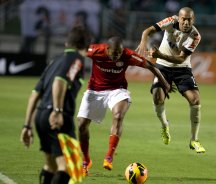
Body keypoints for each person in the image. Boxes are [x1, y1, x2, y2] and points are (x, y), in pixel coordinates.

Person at [77, 36, 171, 175]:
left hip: (117, 90)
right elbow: (78, 52)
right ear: (107, 49)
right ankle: (86, 160)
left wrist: (165, 84)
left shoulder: (127, 55)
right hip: (95, 91)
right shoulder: (96, 50)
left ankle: (109, 156)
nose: (117, 56)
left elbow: (151, 66)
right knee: (81, 125)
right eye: (114, 53)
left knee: (118, 115)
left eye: (119, 53)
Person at [20, 26, 92, 184]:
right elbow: (60, 82)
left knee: (51, 166)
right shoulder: (77, 59)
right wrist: (57, 111)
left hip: (41, 117)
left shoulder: (55, 61)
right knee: (69, 168)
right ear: (87, 46)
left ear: (67, 42)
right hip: (58, 118)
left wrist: (27, 125)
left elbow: (35, 93)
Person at [135, 7, 206, 153]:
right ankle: (164, 124)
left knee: (195, 100)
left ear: (193, 20)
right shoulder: (170, 21)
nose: (186, 22)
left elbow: (180, 59)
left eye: (189, 19)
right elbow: (147, 30)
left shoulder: (195, 36)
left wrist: (160, 55)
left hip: (182, 69)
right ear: (178, 18)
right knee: (157, 97)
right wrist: (143, 42)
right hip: (162, 68)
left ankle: (194, 140)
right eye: (183, 19)